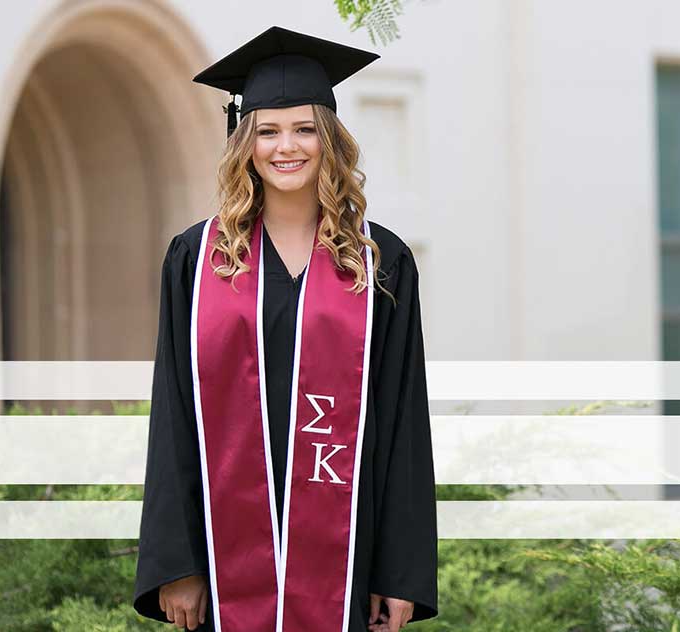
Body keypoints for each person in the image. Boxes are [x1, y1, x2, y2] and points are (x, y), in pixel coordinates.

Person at [131, 26, 438, 632]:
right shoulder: (197, 258)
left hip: (348, 553)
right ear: (245, 143)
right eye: (267, 131)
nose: (285, 147)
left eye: (303, 129)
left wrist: (396, 573)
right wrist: (179, 562)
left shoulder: (380, 261)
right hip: (222, 559)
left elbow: (403, 418)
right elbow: (172, 410)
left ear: (329, 139)